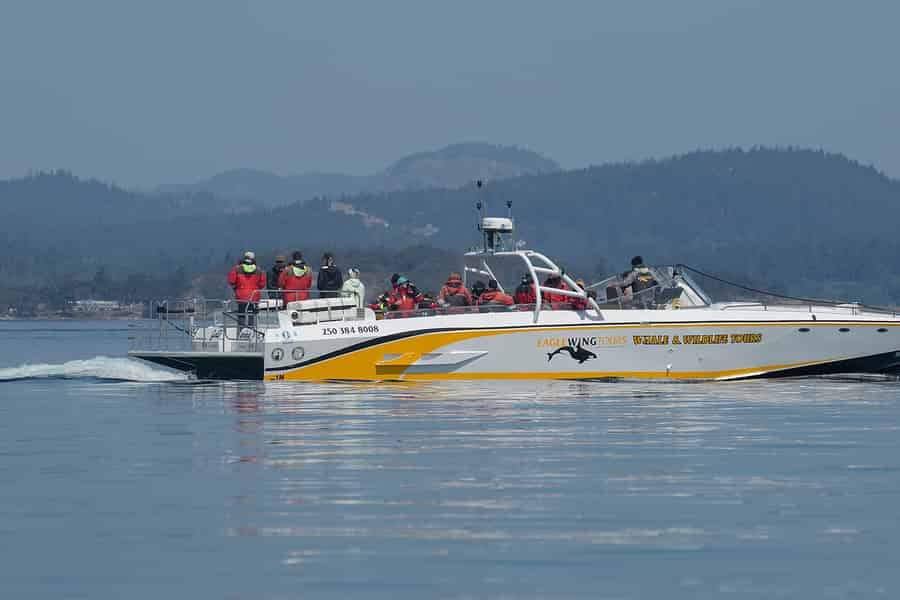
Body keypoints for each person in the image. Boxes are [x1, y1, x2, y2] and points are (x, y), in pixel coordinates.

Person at [228, 250, 266, 327]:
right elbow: (262, 284)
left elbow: (231, 280)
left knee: (241, 313)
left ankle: (241, 330)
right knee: (252, 314)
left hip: (241, 295)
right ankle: (251, 330)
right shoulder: (259, 270)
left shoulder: (237, 269)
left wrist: (236, 287)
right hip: (254, 295)